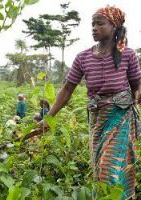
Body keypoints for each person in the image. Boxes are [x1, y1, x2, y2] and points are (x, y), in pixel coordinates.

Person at [40, 6, 141, 200]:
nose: (94, 28)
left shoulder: (127, 55)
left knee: (108, 169)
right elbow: (67, 89)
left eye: (100, 23)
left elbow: (137, 84)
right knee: (99, 168)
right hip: (97, 119)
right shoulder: (83, 57)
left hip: (120, 117)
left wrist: (137, 94)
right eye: (92, 24)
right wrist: (48, 117)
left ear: (114, 26)